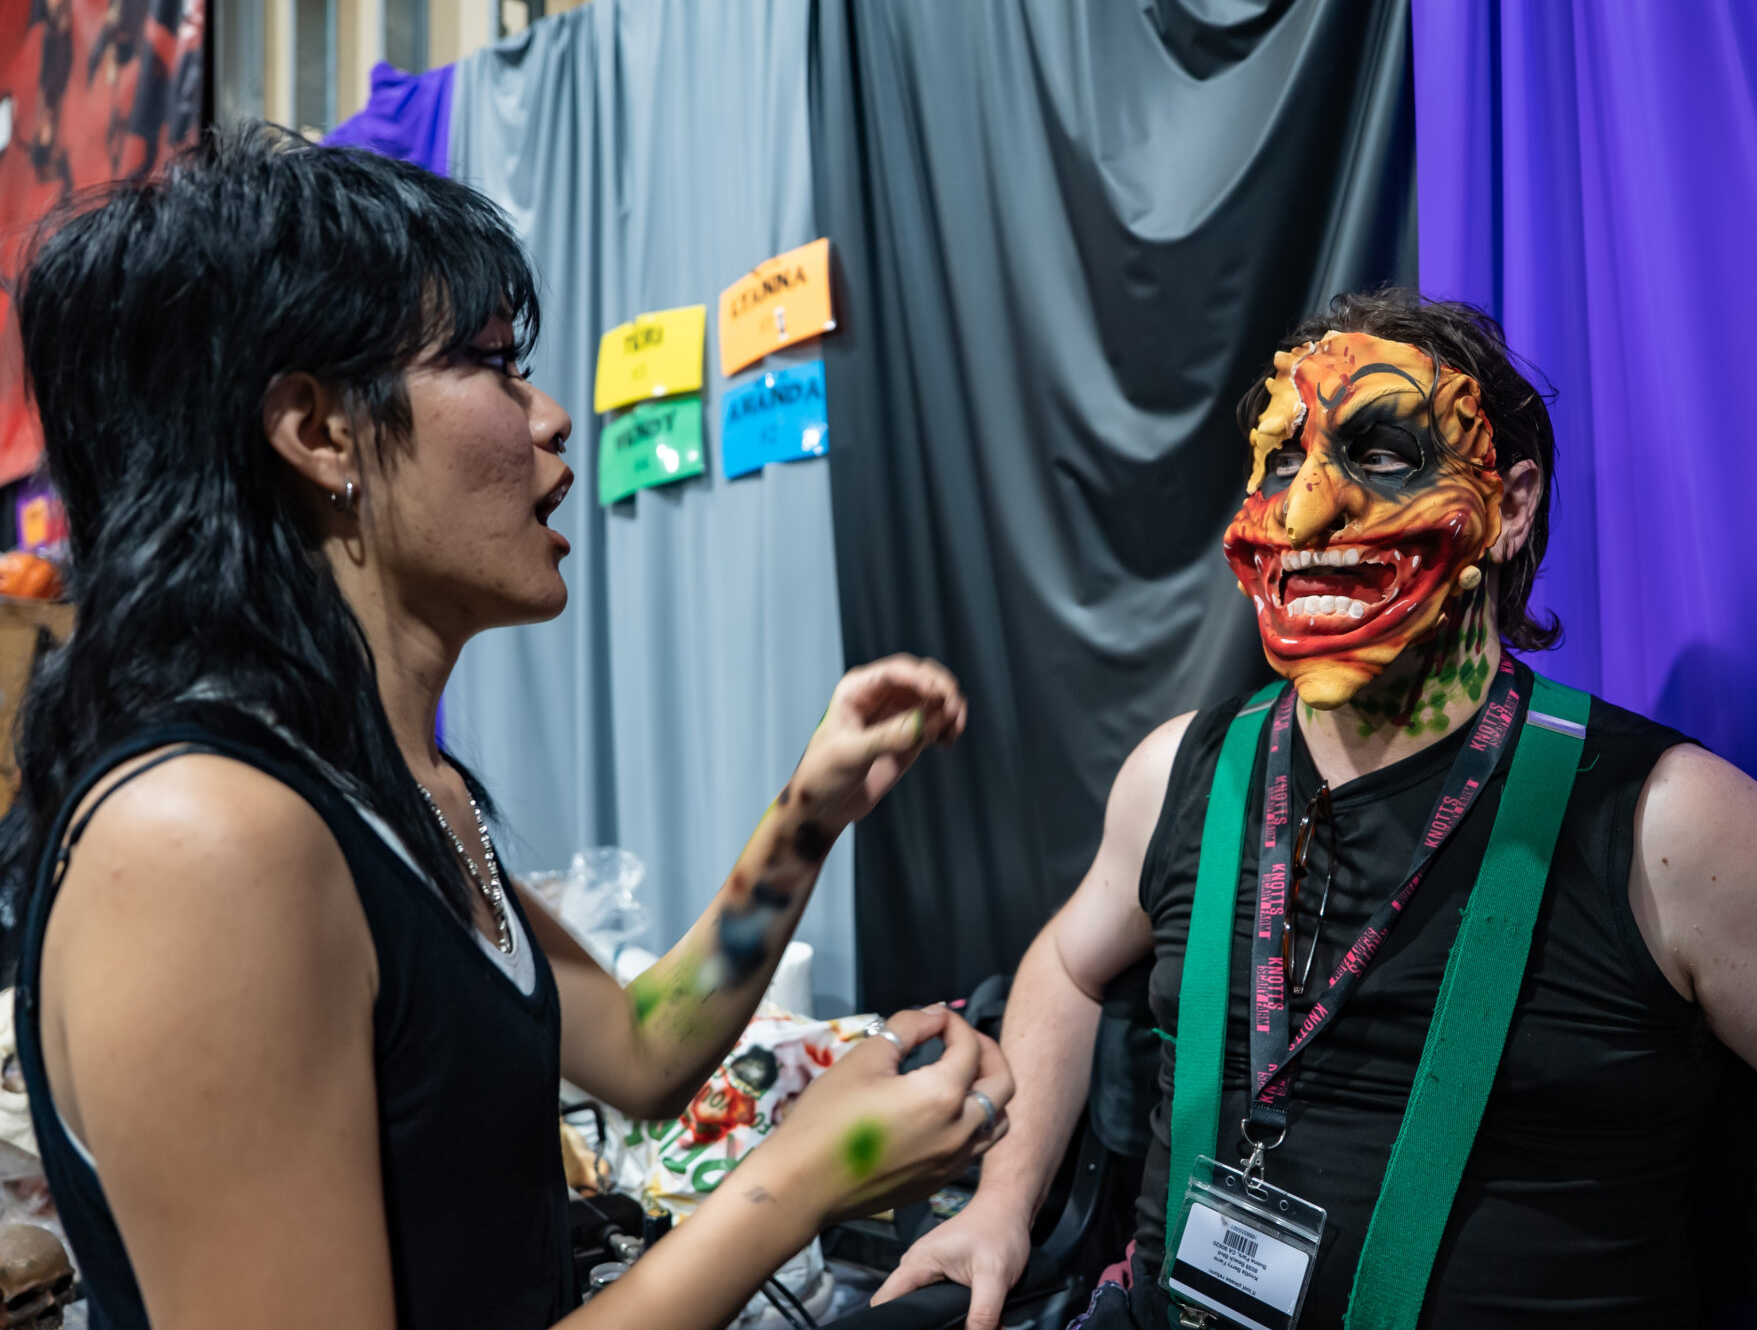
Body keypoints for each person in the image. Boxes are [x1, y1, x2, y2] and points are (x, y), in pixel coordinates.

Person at [874, 291, 1757, 1329]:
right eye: (1281, 460)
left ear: (1508, 507)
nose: (1307, 510)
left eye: (1379, 452)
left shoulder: (1666, 829)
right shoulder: (1182, 769)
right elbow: (1070, 971)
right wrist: (1002, 1202)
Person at [2, 124, 1012, 1329]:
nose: (550, 416)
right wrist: (799, 1180)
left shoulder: (390, 785)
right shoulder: (205, 840)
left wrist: (806, 819)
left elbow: (639, 1048)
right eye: (489, 363)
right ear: (318, 432)